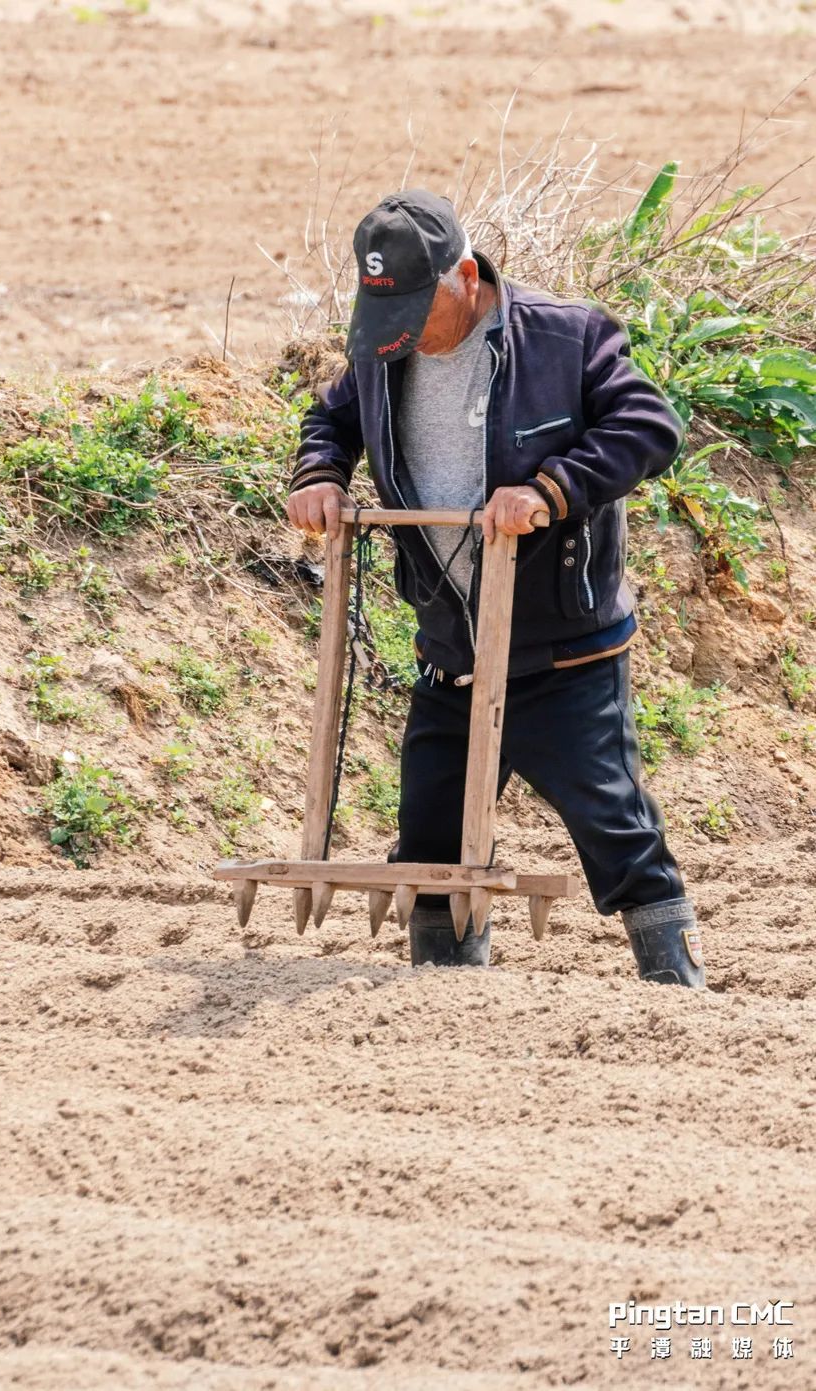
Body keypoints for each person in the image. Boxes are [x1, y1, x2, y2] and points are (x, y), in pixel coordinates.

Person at [286, 188, 705, 988]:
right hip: (453, 645)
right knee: (429, 841)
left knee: (614, 828)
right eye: (388, 314)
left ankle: (676, 990)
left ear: (467, 278)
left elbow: (647, 428)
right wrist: (319, 474)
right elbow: (330, 420)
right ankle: (447, 1003)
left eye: (418, 310)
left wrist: (551, 489)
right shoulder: (382, 347)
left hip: (562, 650)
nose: (404, 334)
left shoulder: (564, 337)